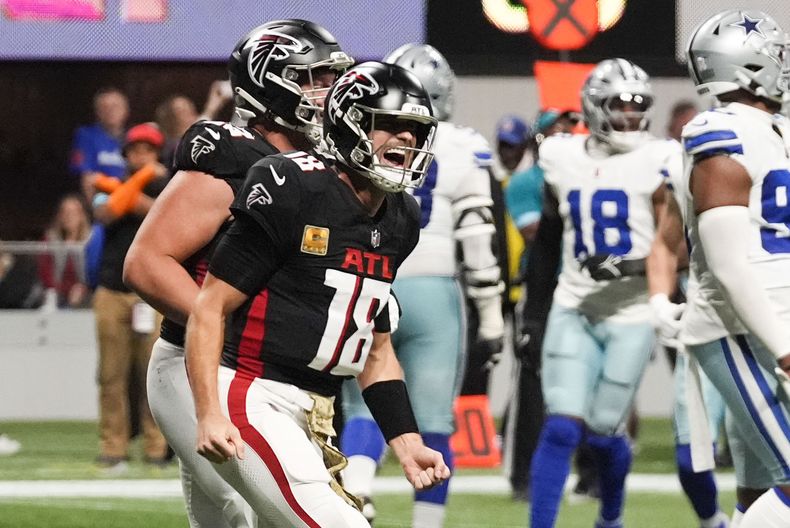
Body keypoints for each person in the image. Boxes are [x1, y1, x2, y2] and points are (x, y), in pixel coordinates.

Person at [185, 60, 448, 527]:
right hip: (252, 392)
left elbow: (376, 346)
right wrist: (207, 411)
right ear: (349, 121)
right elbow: (210, 306)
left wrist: (405, 440)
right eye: (389, 124)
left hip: (315, 410)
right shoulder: (293, 185)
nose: (405, 139)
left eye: (413, 128)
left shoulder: (401, 217)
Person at [124, 19, 353, 528]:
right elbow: (145, 262)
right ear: (271, 84)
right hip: (195, 364)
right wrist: (224, 324)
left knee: (234, 520)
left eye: (330, 79)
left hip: (261, 375)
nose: (328, 93)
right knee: (253, 512)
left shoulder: (314, 164)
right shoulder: (236, 159)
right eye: (313, 79)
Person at [339, 44, 504, 528]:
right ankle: (426, 524)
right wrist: (491, 314)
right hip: (435, 287)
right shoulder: (465, 145)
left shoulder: (363, 135)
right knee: (434, 418)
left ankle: (360, 490)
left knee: (362, 403)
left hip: (374, 275)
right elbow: (478, 236)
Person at [525, 58, 678, 528]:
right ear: (593, 107)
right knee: (559, 428)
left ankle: (610, 518)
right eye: (620, 105)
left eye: (638, 107)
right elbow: (549, 244)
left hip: (631, 313)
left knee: (604, 431)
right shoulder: (561, 156)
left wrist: (631, 265)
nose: (631, 116)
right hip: (574, 306)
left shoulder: (662, 158)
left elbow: (677, 245)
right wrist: (534, 314)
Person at [680, 9, 790, 527]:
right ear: (748, 67)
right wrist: (786, 349)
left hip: (769, 318)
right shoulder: (721, 133)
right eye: (776, 56)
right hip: (737, 325)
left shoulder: (773, 130)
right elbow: (727, 264)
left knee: (758, 483)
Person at [646, 139, 730, 528]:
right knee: (690, 459)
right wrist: (660, 298)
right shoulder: (691, 155)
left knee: (769, 464)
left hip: (774, 322)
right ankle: (714, 522)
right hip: (707, 321)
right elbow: (667, 241)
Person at [501, 108, 578, 501]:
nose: (565, 134)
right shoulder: (527, 182)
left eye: (570, 128)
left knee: (587, 384)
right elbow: (536, 232)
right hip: (544, 289)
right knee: (532, 381)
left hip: (585, 288)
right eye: (556, 129)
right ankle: (523, 476)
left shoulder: (589, 175)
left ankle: (591, 475)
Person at [92, 122, 169, 470]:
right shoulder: (112, 186)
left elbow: (159, 212)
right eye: (135, 151)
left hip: (152, 294)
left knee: (153, 374)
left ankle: (157, 448)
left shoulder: (170, 186)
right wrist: (136, 185)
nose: (140, 157)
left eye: (147, 151)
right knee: (111, 374)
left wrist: (131, 192)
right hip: (112, 290)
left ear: (156, 154)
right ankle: (113, 446)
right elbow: (105, 212)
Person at [70, 87, 129, 202]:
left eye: (115, 106)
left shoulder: (135, 136)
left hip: (129, 194)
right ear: (97, 112)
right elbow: (86, 176)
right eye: (104, 107)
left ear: (126, 110)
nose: (110, 111)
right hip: (101, 196)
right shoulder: (85, 135)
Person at [155, 82, 233, 168]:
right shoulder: (172, 147)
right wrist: (211, 107)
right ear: (171, 120)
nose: (190, 112)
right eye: (182, 110)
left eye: (190, 106)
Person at [38, 193, 92, 309]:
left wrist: (83, 288)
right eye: (65, 213)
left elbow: (93, 270)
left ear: (82, 215)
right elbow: (45, 272)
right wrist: (58, 290)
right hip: (55, 297)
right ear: (60, 216)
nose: (69, 217)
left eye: (73, 213)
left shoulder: (91, 241)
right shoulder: (49, 239)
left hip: (85, 296)